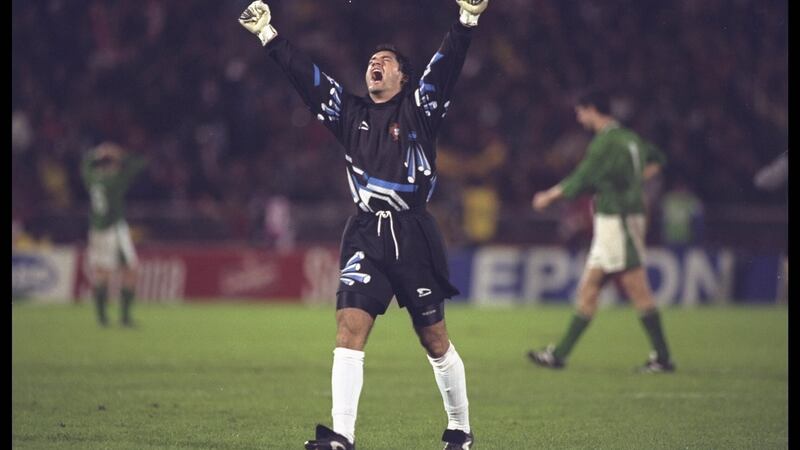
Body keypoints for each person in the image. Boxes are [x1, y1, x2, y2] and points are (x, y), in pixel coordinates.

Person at [238, 1, 488, 448]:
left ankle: (459, 430)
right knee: (348, 328)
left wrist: (466, 22)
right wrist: (268, 35)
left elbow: (445, 67)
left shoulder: (420, 110)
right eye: (372, 61)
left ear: (402, 78)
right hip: (364, 234)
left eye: (386, 62)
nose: (375, 65)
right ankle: (342, 437)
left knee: (434, 339)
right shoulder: (348, 114)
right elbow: (308, 80)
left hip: (413, 234)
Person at [527, 90, 676, 374]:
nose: (579, 117)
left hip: (618, 220)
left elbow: (582, 178)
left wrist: (548, 196)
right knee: (589, 288)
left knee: (637, 289)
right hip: (616, 220)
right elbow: (657, 159)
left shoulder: (605, 143)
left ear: (592, 109)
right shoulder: (630, 138)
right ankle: (558, 355)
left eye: (580, 111)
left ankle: (664, 358)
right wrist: (633, 182)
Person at [80, 142, 147, 327]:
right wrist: (120, 154)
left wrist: (96, 152)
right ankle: (125, 318)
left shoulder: (92, 179)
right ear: (112, 165)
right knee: (131, 270)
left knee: (101, 273)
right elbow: (138, 164)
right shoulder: (115, 181)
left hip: (95, 230)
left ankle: (101, 318)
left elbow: (85, 165)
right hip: (113, 229)